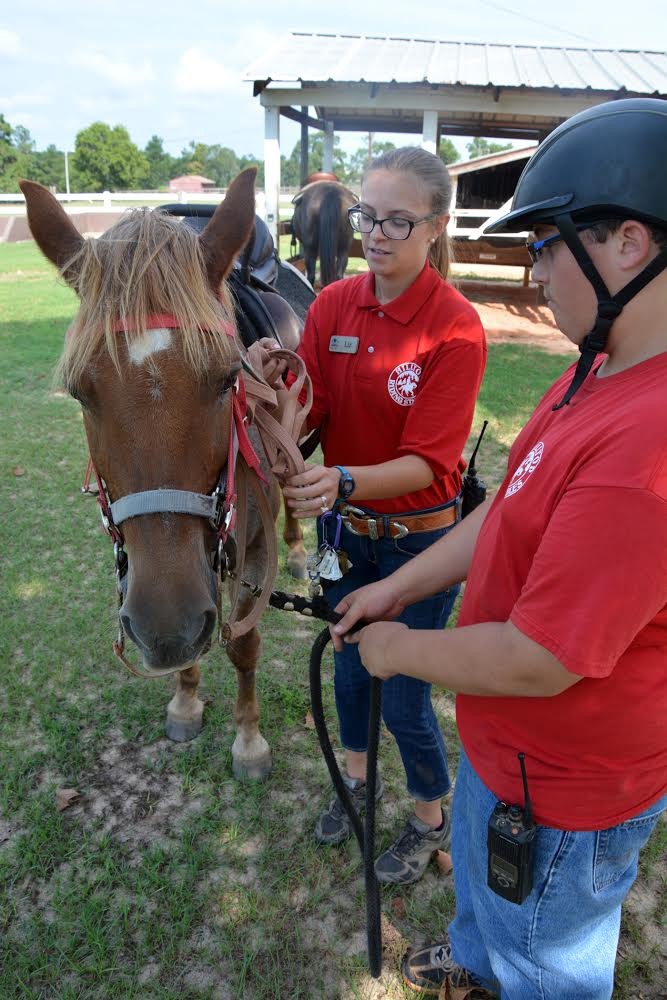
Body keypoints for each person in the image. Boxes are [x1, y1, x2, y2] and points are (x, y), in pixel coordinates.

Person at [331, 98, 667, 999]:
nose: (536, 269)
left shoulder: (650, 446)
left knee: (545, 963)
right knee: (490, 912)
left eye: (545, 245)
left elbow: (539, 657)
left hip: (561, 792)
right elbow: (505, 508)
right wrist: (397, 587)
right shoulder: (596, 367)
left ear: (626, 245)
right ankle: (477, 958)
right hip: (506, 751)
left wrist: (396, 650)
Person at [277, 146, 487, 885]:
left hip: (416, 546)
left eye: (399, 220)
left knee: (402, 694)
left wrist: (336, 478)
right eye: (368, 214)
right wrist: (275, 404)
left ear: (436, 226)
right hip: (345, 539)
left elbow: (428, 462)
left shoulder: (454, 327)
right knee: (347, 669)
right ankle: (357, 781)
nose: (376, 232)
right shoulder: (333, 304)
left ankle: (429, 813)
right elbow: (313, 411)